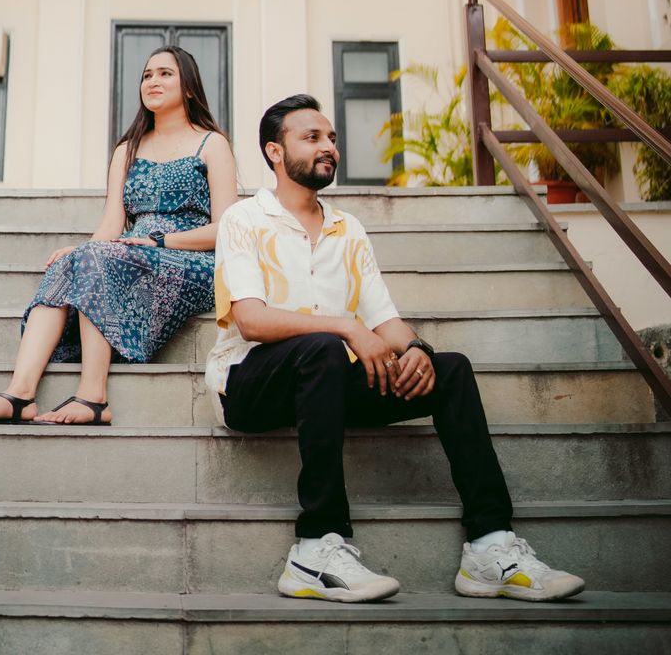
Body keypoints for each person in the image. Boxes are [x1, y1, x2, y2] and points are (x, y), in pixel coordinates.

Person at [206, 93, 586, 605]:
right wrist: (345, 328)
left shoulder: (348, 229)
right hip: (249, 385)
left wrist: (418, 351)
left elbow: (385, 319)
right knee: (320, 345)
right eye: (312, 137)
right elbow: (249, 319)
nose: (329, 148)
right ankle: (315, 549)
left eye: (332, 139)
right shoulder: (243, 219)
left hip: (327, 384)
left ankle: (489, 547)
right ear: (275, 152)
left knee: (450, 369)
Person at [0, 46, 237, 426]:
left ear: (189, 87)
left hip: (192, 259)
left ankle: (93, 396)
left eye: (165, 74)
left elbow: (227, 228)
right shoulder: (127, 150)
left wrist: (159, 242)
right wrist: (82, 249)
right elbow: (111, 224)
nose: (153, 81)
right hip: (130, 253)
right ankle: (20, 393)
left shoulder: (212, 144)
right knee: (75, 260)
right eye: (147, 75)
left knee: (98, 258)